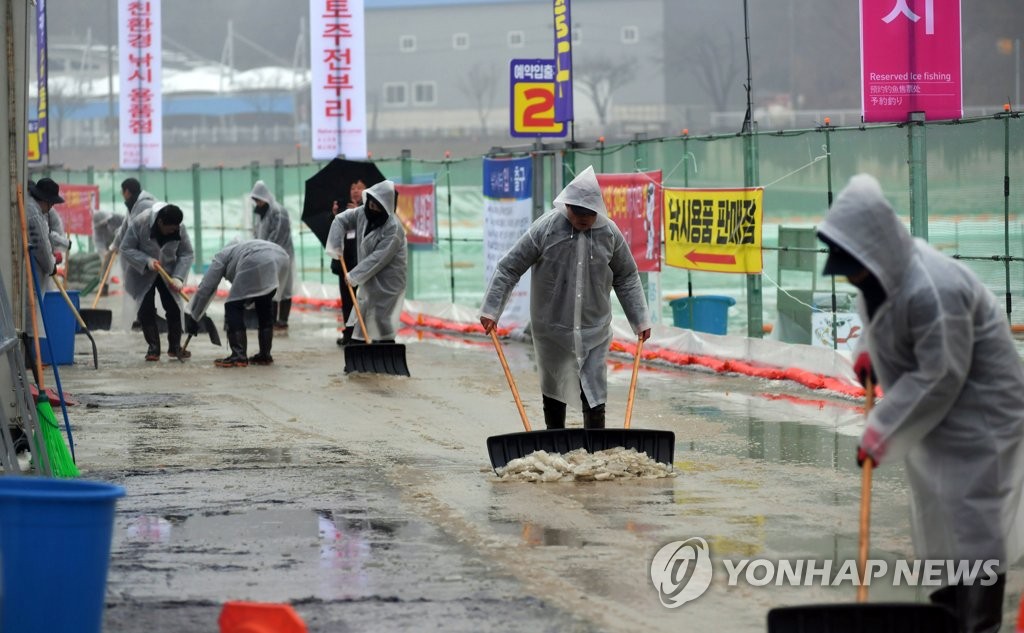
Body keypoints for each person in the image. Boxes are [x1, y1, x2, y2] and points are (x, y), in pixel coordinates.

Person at [817, 173, 1024, 633]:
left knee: (975, 516)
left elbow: (941, 373)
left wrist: (880, 431)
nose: (851, 275)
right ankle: (947, 612)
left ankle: (979, 622)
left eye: (853, 265)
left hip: (982, 413)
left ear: (874, 250)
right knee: (934, 508)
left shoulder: (935, 289)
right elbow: (878, 321)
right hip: (937, 407)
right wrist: (865, 351)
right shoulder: (883, 277)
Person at [479, 166, 652, 430]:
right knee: (554, 386)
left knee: (593, 388)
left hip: (594, 327)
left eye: (589, 214)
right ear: (567, 206)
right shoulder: (546, 229)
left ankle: (596, 445)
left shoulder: (610, 234)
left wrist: (640, 320)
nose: (583, 219)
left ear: (598, 210)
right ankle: (554, 440)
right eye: (577, 213)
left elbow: (627, 276)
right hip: (552, 328)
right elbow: (509, 267)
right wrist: (492, 310)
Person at [185, 239, 290, 368]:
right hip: (281, 256)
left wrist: (194, 316)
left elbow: (206, 287)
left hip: (255, 259)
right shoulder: (243, 247)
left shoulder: (222, 256)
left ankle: (238, 356)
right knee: (264, 303)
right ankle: (265, 355)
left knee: (232, 305)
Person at [325, 180, 407, 344]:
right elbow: (340, 220)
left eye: (377, 206)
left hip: (389, 279)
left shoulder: (394, 228)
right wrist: (336, 244)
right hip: (368, 273)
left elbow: (379, 258)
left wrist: (354, 275)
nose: (373, 209)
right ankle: (360, 345)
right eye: (371, 204)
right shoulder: (363, 212)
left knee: (382, 316)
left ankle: (385, 346)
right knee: (364, 311)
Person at [119, 202, 195, 361]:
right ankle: (153, 348)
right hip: (142, 272)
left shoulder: (179, 228)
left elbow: (186, 253)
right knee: (146, 309)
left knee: (174, 307)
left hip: (167, 272)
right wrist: (146, 260)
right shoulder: (141, 222)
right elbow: (125, 248)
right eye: (171, 228)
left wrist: (178, 277)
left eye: (176, 227)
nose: (174, 231)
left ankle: (175, 347)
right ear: (160, 223)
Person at [249, 180, 295, 331]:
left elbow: (278, 236)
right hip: (268, 255)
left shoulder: (278, 211)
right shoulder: (261, 213)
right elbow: (258, 233)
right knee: (272, 288)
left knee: (285, 288)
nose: (257, 203)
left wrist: (265, 249)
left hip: (283, 255)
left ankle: (282, 321)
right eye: (255, 200)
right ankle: (272, 321)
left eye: (258, 200)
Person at [331, 179, 366, 346]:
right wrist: (335, 216)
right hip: (344, 261)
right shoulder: (343, 209)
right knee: (346, 300)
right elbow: (331, 236)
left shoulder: (369, 209)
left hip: (361, 262)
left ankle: (361, 334)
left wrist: (358, 213)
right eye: (352, 187)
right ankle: (349, 332)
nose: (355, 191)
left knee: (361, 298)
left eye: (359, 188)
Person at [110, 177, 157, 252]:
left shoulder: (145, 205)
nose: (122, 194)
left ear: (127, 192)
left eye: (122, 191)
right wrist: (115, 245)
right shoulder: (133, 205)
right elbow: (124, 227)